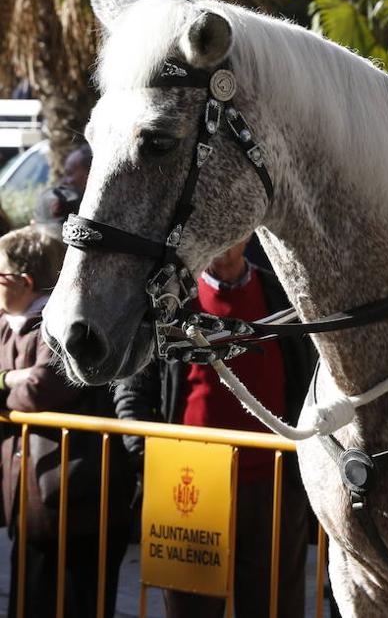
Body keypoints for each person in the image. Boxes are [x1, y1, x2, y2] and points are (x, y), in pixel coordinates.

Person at [114, 239, 314, 618]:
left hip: (272, 486)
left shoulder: (281, 295)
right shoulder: (168, 302)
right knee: (191, 608)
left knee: (274, 605)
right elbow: (132, 388)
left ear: (250, 235)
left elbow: (304, 381)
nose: (224, 243)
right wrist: (147, 454)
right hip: (189, 488)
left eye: (234, 233)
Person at [0, 225, 133, 618]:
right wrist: (11, 380)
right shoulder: (9, 323)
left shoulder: (60, 327)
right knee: (30, 598)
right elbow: (26, 387)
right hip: (27, 498)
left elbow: (43, 388)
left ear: (25, 281)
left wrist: (11, 384)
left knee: (72, 600)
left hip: (74, 498)